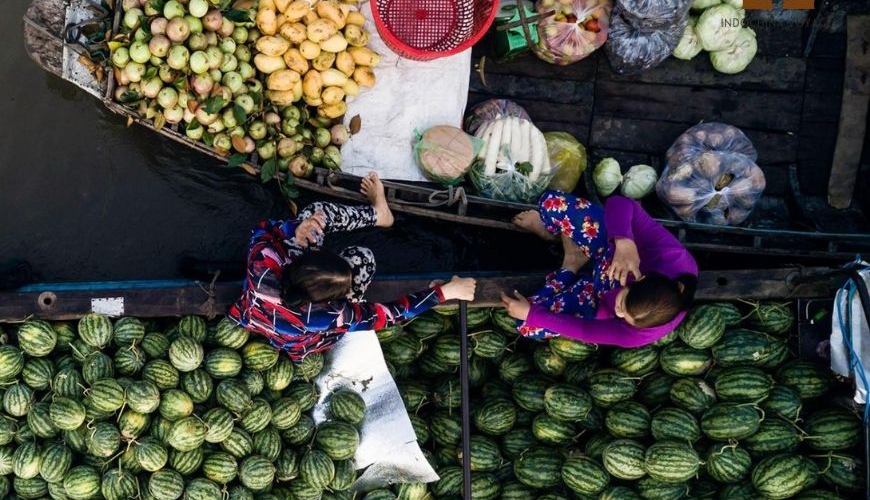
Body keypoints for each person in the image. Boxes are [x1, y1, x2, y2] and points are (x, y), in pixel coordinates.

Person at [229, 172, 477, 360]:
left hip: (254, 317)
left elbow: (261, 230)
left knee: (315, 214)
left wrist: (296, 229)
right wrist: (445, 292)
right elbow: (391, 315)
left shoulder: (264, 263)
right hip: (305, 339)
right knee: (362, 259)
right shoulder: (332, 315)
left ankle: (379, 215)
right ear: (335, 301)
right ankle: (378, 216)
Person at [500, 190, 698, 347]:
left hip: (596, 298)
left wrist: (532, 315)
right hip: (610, 250)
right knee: (552, 202)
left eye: (624, 317)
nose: (619, 314)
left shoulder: (640, 334)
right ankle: (553, 235)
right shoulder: (671, 257)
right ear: (640, 279)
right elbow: (620, 203)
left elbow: (586, 330)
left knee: (527, 326)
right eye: (622, 304)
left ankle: (570, 265)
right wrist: (624, 240)